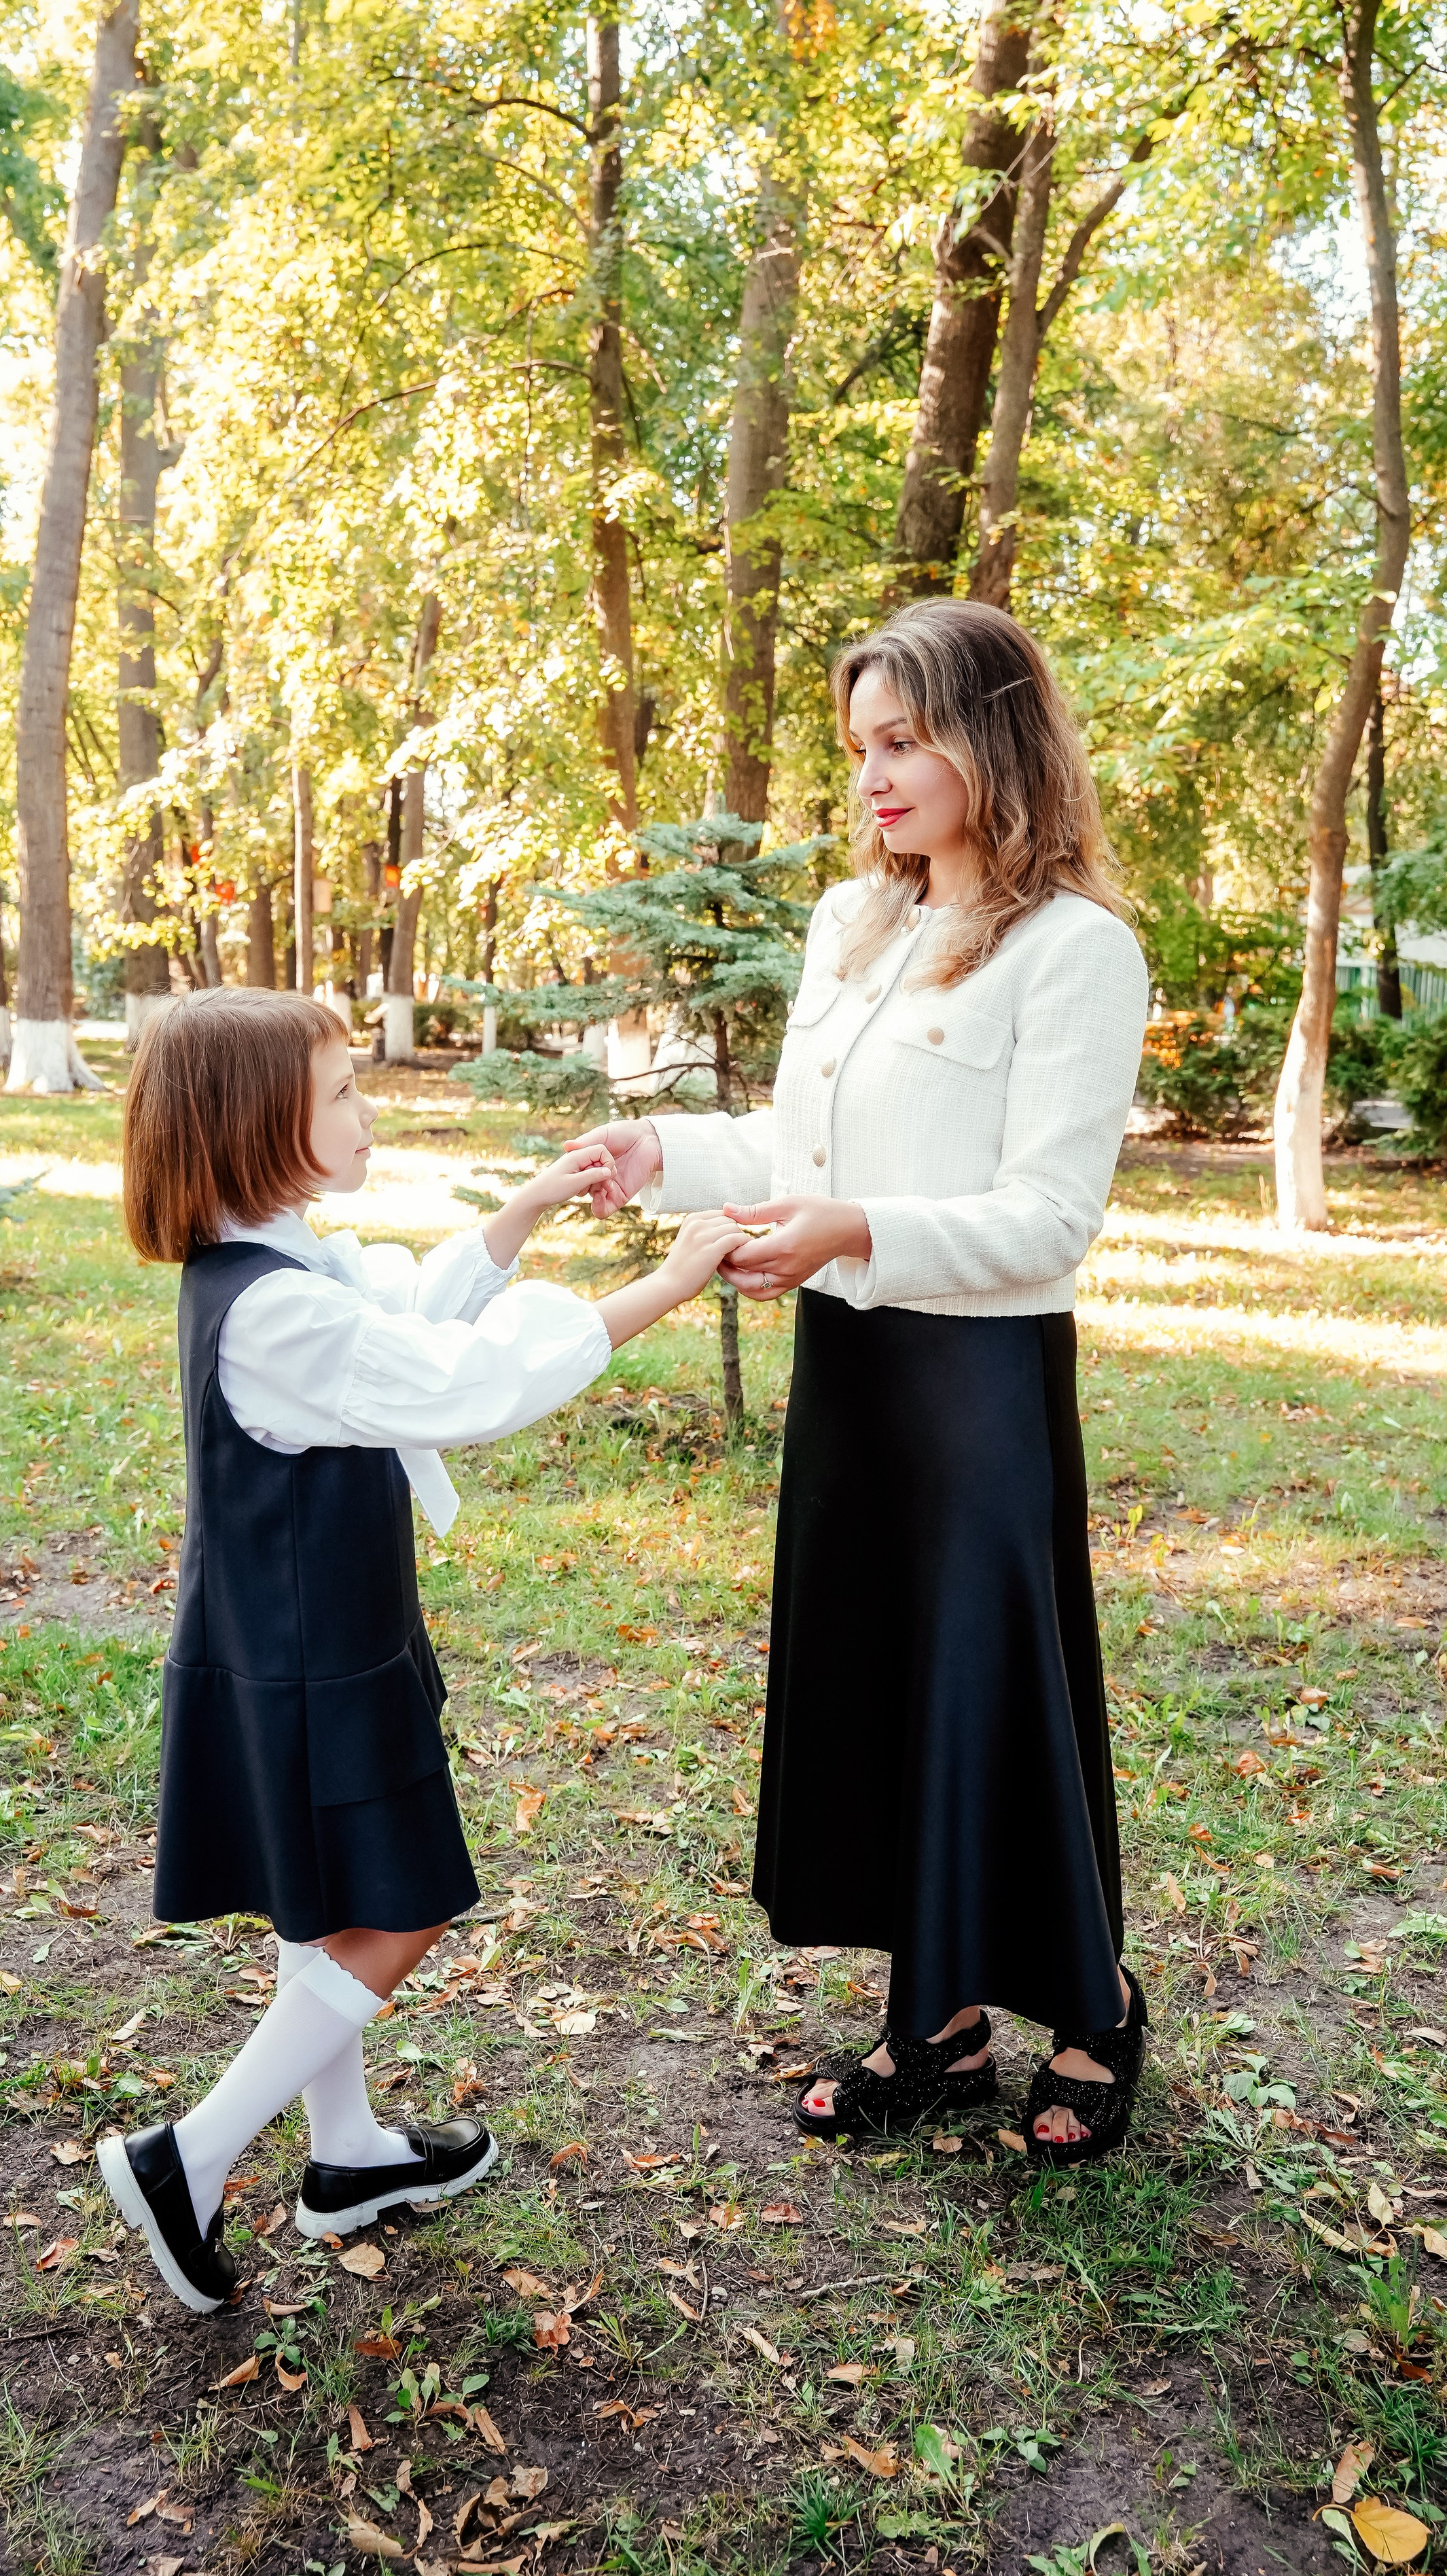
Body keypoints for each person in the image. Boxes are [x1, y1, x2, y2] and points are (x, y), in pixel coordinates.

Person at [572, 601, 1151, 2164]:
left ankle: (1092, 2009)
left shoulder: (1076, 951)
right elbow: (798, 1150)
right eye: (861, 750)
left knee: (989, 1697)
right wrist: (663, 1155)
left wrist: (855, 1231)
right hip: (851, 1368)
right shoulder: (853, 924)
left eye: (903, 743)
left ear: (992, 739)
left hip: (974, 1386)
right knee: (885, 1693)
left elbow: (1047, 1217)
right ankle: (941, 2026)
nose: (876, 779)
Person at [102, 989, 743, 2311]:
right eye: (339, 1093)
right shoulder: (273, 1311)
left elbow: (400, 1308)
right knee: (399, 1905)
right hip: (306, 1660)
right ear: (256, 1126)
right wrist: (663, 1285)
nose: (366, 1108)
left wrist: (521, 1213)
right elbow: (462, 1382)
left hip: (309, 1640)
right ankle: (192, 2156)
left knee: (325, 1899)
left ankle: (344, 2157)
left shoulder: (279, 1259)